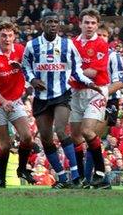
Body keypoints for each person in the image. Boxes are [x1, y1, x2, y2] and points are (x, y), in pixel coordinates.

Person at [22, 12, 101, 188]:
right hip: (41, 98)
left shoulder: (68, 45)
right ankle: (62, 177)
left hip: (61, 95)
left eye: (56, 22)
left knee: (61, 129)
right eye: (49, 22)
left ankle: (75, 176)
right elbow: (25, 67)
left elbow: (76, 70)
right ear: (42, 25)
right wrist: (33, 80)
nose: (53, 25)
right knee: (45, 137)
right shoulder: (32, 45)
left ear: (59, 25)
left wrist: (89, 83)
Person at [0, 21, 35, 187]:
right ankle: (1, 178)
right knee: (6, 144)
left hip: (15, 100)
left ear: (14, 36)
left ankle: (22, 169)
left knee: (27, 137)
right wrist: (3, 101)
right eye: (3, 35)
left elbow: (31, 67)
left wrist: (22, 67)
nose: (7, 38)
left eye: (10, 35)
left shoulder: (20, 50)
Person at [69, 8, 111, 189]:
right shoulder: (71, 44)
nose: (89, 26)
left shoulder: (101, 44)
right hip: (76, 93)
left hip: (96, 91)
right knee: (76, 137)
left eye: (93, 23)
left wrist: (70, 74)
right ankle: (79, 178)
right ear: (80, 24)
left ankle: (100, 173)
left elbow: (93, 72)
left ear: (97, 25)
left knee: (87, 131)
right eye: (86, 22)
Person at [82, 23, 123, 188]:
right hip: (88, 98)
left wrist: (103, 92)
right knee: (89, 138)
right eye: (98, 35)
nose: (100, 38)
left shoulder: (113, 56)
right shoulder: (87, 54)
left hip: (109, 99)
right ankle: (100, 179)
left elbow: (121, 82)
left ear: (108, 38)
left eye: (104, 36)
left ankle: (90, 178)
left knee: (92, 135)